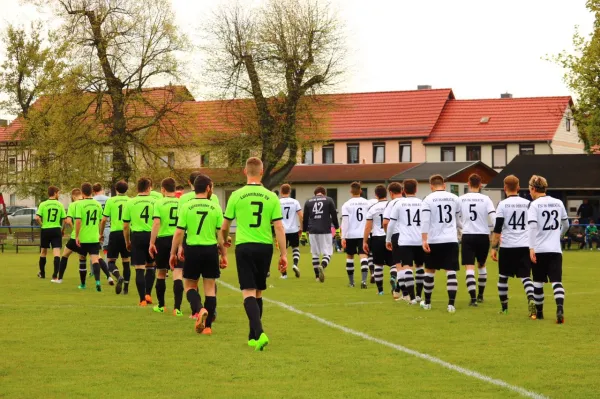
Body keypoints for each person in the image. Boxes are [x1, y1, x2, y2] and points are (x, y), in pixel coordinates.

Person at [221, 157, 287, 351]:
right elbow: (279, 227)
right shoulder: (271, 196)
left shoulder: (236, 195)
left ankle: (259, 333)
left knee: (248, 292)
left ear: (245, 172)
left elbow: (225, 226)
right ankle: (252, 336)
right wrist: (283, 254)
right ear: (262, 171)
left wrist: (224, 240)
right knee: (258, 291)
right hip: (265, 247)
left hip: (244, 246)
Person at [170, 174, 226, 335]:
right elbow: (220, 235)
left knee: (189, 286)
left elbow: (179, 232)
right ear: (208, 188)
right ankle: (208, 327)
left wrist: (173, 252)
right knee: (210, 289)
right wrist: (224, 254)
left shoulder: (187, 206)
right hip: (210, 250)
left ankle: (199, 309)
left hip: (192, 249)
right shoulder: (215, 206)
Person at [490, 175, 535, 316]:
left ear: (504, 188)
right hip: (524, 246)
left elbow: (497, 229)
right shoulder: (528, 203)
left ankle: (504, 309)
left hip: (507, 247)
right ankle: (531, 298)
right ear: (519, 187)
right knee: (526, 277)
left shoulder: (502, 205)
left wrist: (493, 247)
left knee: (503, 277)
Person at [527, 175, 569, 323]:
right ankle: (559, 308)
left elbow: (532, 226)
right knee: (557, 281)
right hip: (555, 249)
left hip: (539, 249)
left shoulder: (534, 205)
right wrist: (558, 235)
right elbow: (566, 225)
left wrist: (531, 247)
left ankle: (539, 313)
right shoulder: (558, 203)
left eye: (530, 189)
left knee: (538, 282)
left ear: (533, 189)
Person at [420, 174, 462, 313]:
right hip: (451, 239)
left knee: (430, 270)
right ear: (444, 185)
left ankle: (427, 303)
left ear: (431, 186)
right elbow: (459, 220)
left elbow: (425, 221)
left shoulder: (428, 199)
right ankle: (451, 305)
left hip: (434, 240)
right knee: (451, 271)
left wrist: (424, 239)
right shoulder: (455, 198)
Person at [458, 173, 496, 306]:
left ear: (468, 183)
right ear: (480, 184)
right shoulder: (486, 199)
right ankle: (480, 295)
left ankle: (473, 298)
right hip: (483, 236)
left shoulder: (461, 199)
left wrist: (462, 227)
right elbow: (493, 217)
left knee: (469, 267)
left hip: (467, 235)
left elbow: (456, 217)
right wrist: (496, 233)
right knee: (481, 265)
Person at [386, 179, 425, 304]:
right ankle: (419, 295)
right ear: (416, 189)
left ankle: (412, 298)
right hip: (419, 239)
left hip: (405, 240)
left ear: (403, 190)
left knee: (407, 267)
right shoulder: (422, 203)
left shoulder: (399, 204)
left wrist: (388, 239)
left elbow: (391, 224)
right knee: (419, 267)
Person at [123, 177, 157, 306]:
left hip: (137, 236)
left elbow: (126, 226)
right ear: (149, 188)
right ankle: (148, 293)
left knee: (139, 268)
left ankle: (142, 299)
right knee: (151, 266)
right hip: (152, 236)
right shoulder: (156, 201)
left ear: (137, 188)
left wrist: (127, 241)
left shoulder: (131, 203)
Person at [149, 178, 180, 314]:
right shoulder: (181, 203)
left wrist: (151, 242)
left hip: (162, 240)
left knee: (161, 273)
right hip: (177, 240)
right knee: (178, 273)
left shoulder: (159, 203)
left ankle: (161, 306)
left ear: (163, 189)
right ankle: (177, 308)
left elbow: (156, 223)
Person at [303, 186, 339, 282]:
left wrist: (303, 232)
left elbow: (305, 219)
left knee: (315, 254)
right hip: (325, 230)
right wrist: (337, 229)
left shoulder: (308, 201)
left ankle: (317, 277)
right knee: (328, 252)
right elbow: (334, 215)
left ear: (315, 194)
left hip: (312, 230)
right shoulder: (329, 200)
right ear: (324, 193)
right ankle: (322, 265)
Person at [100, 180, 130, 294]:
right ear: (126, 189)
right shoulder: (130, 201)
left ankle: (118, 276)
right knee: (126, 261)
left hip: (115, 233)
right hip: (127, 233)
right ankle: (126, 289)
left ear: (116, 189)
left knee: (110, 261)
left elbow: (103, 220)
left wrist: (101, 233)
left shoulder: (111, 201)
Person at [74, 183, 105, 291]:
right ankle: (97, 282)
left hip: (83, 237)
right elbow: (102, 221)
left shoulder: (80, 204)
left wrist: (77, 236)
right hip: (94, 237)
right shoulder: (97, 204)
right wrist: (100, 234)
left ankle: (83, 284)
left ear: (82, 193)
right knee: (95, 260)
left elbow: (78, 221)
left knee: (82, 259)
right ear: (92, 191)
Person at [363, 185, 392, 295]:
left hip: (377, 238)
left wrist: (365, 241)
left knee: (378, 265)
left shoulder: (373, 208)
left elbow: (367, 227)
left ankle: (380, 291)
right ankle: (394, 280)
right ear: (387, 194)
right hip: (390, 236)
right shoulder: (392, 205)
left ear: (376, 195)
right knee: (393, 264)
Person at [341, 182, 370, 288]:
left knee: (350, 257)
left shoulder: (346, 204)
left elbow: (345, 221)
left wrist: (343, 237)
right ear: (361, 191)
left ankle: (351, 283)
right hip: (363, 235)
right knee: (363, 257)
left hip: (351, 235)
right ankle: (363, 281)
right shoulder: (367, 203)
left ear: (350, 191)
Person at [35, 186, 66, 280]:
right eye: (58, 193)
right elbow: (64, 219)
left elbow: (37, 218)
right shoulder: (60, 204)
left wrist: (42, 225)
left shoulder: (43, 204)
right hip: (56, 229)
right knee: (56, 252)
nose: (59, 195)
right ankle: (55, 275)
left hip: (46, 230)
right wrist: (62, 230)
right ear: (55, 193)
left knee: (43, 251)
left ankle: (42, 273)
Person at [57, 189, 87, 284]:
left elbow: (68, 221)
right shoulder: (87, 203)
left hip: (76, 237)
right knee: (87, 258)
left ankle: (60, 278)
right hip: (88, 236)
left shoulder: (73, 205)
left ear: (73, 196)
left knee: (65, 255)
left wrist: (73, 228)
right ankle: (107, 277)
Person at [92, 183, 115, 285]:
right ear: (102, 189)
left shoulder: (92, 200)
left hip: (95, 228)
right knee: (106, 250)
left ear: (93, 190)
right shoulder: (108, 199)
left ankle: (93, 271)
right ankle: (108, 269)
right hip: (108, 226)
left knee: (94, 251)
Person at [382, 182, 404, 293]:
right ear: (402, 191)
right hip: (411, 236)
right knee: (409, 264)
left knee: (398, 263)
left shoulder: (391, 203)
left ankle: (398, 289)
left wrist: (388, 237)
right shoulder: (409, 201)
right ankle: (409, 291)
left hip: (396, 235)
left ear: (390, 193)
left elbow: (385, 222)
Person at [278, 183, 303, 279]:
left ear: (281, 192)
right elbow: (301, 215)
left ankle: (284, 274)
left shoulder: (278, 202)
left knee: (282, 252)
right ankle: (295, 264)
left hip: (282, 230)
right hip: (293, 229)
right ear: (289, 191)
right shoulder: (295, 202)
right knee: (295, 248)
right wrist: (301, 227)